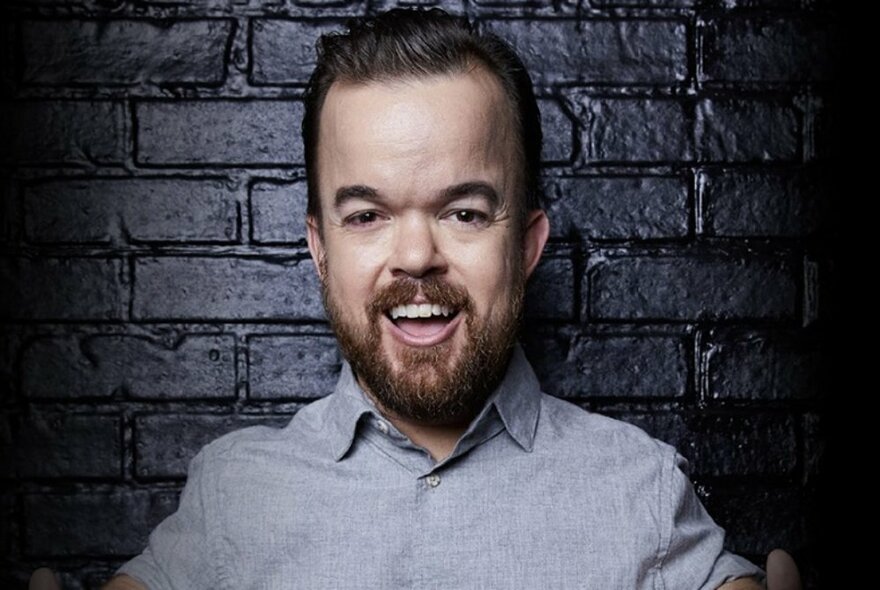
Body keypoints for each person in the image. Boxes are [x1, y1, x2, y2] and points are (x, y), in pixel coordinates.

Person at [31, 8, 803, 590]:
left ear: (528, 245)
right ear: (320, 248)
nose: (414, 257)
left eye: (464, 212)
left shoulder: (639, 486)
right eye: (366, 215)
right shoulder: (232, 492)